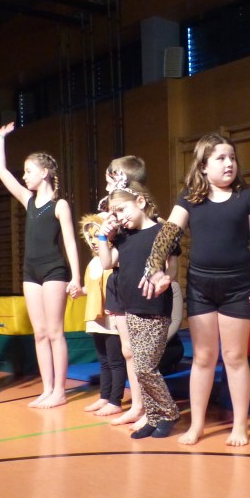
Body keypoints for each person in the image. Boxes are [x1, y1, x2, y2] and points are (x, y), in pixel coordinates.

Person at [141, 133, 250, 447]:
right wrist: (153, 269)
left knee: (234, 357)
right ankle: (197, 424)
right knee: (202, 357)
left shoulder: (247, 199)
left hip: (236, 287)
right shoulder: (189, 198)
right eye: (220, 158)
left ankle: (239, 425)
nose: (229, 164)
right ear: (203, 166)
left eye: (232, 158)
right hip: (201, 287)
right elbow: (167, 236)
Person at [0, 122, 81, 409]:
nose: (24, 176)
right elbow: (1, 171)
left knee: (55, 332)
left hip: (54, 270)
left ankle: (60, 391)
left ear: (44, 173)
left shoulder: (59, 205)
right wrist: (0, 139)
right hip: (30, 272)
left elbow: (70, 243)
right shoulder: (28, 200)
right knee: (40, 333)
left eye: (28, 171)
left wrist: (76, 277)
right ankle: (47, 389)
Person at [97, 184, 180, 438]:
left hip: (155, 308)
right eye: (115, 213)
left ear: (141, 202)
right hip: (131, 308)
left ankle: (169, 412)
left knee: (145, 367)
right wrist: (103, 237)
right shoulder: (124, 236)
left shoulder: (162, 232)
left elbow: (173, 266)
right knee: (140, 368)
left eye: (122, 209)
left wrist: (165, 278)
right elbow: (106, 263)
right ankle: (153, 417)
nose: (120, 217)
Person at [100, 157, 150, 428]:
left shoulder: (145, 221)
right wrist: (104, 236)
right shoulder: (118, 220)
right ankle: (137, 405)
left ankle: (149, 407)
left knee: (142, 353)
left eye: (112, 178)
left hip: (141, 291)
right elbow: (107, 261)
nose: (108, 183)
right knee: (127, 350)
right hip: (120, 286)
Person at [79, 213, 127, 416]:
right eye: (90, 237)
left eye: (97, 235)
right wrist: (77, 290)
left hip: (112, 317)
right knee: (104, 360)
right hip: (96, 318)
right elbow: (90, 288)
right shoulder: (92, 263)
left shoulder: (115, 258)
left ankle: (115, 400)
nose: (93, 241)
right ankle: (104, 397)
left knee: (115, 360)